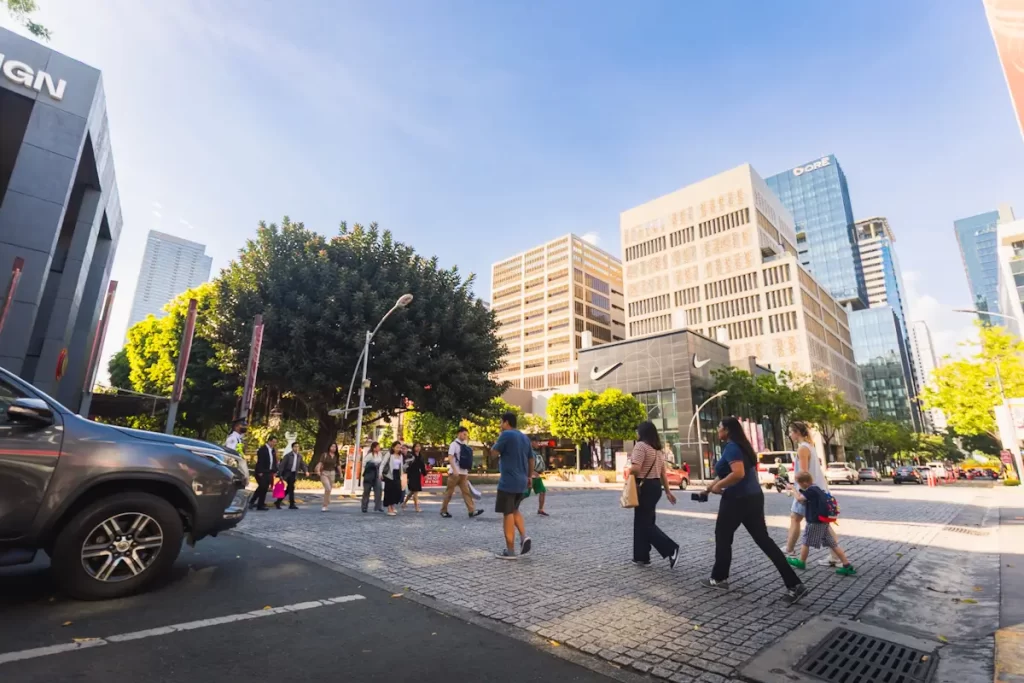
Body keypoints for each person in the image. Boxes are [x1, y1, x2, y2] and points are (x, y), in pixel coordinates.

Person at [702, 417, 807, 605]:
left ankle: (719, 578)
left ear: (727, 429)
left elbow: (738, 473)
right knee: (764, 540)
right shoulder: (743, 447)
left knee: (723, 536)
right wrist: (710, 488)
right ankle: (794, 584)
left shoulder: (732, 447)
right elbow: (724, 472)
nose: (717, 430)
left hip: (736, 499)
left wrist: (719, 487)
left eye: (719, 427)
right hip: (754, 498)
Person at [784, 422, 840, 567]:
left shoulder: (803, 448)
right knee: (821, 522)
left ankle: (790, 550)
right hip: (817, 489)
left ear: (797, 432)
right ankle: (835, 556)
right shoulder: (810, 446)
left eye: (791, 432)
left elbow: (803, 473)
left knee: (797, 518)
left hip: (808, 491)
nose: (790, 435)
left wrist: (794, 488)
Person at [630, 421, 679, 568]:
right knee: (643, 521)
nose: (636, 433)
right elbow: (663, 473)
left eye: (637, 431)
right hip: (655, 487)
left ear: (642, 432)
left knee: (644, 524)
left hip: (644, 487)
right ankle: (641, 556)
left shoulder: (640, 446)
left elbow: (636, 469)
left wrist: (628, 472)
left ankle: (671, 549)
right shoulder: (657, 450)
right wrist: (668, 492)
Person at [788, 471, 856, 575]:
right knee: (832, 544)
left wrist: (792, 490)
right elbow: (804, 500)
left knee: (806, 541)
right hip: (823, 521)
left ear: (805, 483)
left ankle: (801, 562)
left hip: (815, 521)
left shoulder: (811, 490)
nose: (798, 485)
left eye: (799, 483)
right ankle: (847, 565)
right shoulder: (817, 489)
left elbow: (799, 499)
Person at [492, 412, 534, 559]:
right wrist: (529, 477)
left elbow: (493, 453)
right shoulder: (524, 437)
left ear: (506, 422)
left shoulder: (506, 435)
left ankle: (510, 551)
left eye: (501, 422)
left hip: (508, 481)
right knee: (514, 509)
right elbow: (531, 459)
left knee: (507, 513)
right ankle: (524, 537)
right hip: (522, 480)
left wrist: (498, 437)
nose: (500, 425)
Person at [441, 426, 482, 519]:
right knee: (449, 492)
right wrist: (454, 469)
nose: (465, 436)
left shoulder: (465, 445)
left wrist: (466, 471)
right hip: (454, 473)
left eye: (466, 435)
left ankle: (471, 511)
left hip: (463, 473)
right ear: (459, 433)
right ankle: (444, 510)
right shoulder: (453, 444)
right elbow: (450, 457)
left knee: (466, 492)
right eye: (464, 434)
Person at [276, 441, 308, 510]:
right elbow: (282, 465)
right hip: (287, 473)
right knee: (291, 488)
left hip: (294, 474)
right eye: (295, 447)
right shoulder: (288, 456)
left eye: (297, 447)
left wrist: (306, 471)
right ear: (292, 448)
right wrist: (280, 474)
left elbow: (302, 465)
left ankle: (278, 501)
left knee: (289, 489)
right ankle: (292, 504)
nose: (296, 448)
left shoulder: (299, 456)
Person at [252, 435, 278, 511]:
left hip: (269, 472)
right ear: (269, 441)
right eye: (273, 442)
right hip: (262, 472)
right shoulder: (262, 449)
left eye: (275, 442)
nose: (274, 444)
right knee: (262, 488)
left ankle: (257, 502)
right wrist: (260, 471)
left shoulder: (273, 450)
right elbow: (260, 461)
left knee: (264, 488)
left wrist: (275, 470)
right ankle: (259, 505)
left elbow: (273, 461)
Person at [316, 443, 341, 512]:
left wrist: (341, 473)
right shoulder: (324, 454)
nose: (333, 448)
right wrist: (318, 470)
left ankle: (326, 505)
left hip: (332, 473)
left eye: (335, 447)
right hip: (324, 473)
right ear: (329, 447)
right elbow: (320, 463)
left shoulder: (336, 456)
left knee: (329, 490)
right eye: (332, 446)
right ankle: (324, 505)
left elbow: (338, 465)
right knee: (328, 488)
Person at [403, 443, 427, 513]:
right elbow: (407, 466)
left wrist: (424, 474)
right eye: (416, 446)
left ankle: (404, 503)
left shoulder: (421, 456)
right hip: (411, 474)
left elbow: (422, 466)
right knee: (415, 492)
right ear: (414, 448)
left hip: (417, 474)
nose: (418, 448)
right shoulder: (411, 456)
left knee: (412, 492)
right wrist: (407, 476)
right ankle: (417, 507)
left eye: (419, 446)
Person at [382, 442, 404, 516]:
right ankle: (389, 508)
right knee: (389, 491)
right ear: (393, 447)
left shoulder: (400, 455)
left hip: (397, 474)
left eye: (400, 447)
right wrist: (380, 473)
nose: (398, 449)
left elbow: (401, 466)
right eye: (397, 447)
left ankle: (393, 505)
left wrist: (402, 474)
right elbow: (383, 463)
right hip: (389, 474)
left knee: (397, 490)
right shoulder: (389, 454)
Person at [361, 442, 384, 513]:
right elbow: (364, 463)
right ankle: (364, 506)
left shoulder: (380, 454)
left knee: (378, 490)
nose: (379, 448)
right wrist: (372, 465)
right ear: (374, 448)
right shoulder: (370, 455)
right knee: (366, 491)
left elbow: (382, 463)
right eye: (378, 447)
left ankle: (378, 506)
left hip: (377, 473)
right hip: (370, 474)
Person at [530, 440, 549, 517]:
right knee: (524, 494)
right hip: (530, 476)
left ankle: (540, 509)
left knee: (542, 491)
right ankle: (512, 508)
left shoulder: (535, 452)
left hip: (536, 476)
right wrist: (531, 472)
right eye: (536, 442)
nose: (538, 444)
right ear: (532, 442)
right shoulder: (527, 452)